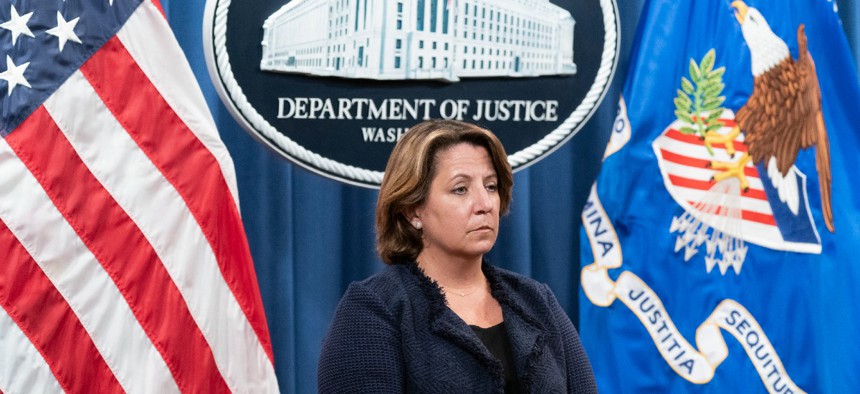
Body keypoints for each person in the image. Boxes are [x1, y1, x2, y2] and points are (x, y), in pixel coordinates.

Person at [317, 119, 597, 393]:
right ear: (412, 209)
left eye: (490, 186)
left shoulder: (536, 301)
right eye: (460, 189)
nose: (485, 204)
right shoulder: (376, 309)